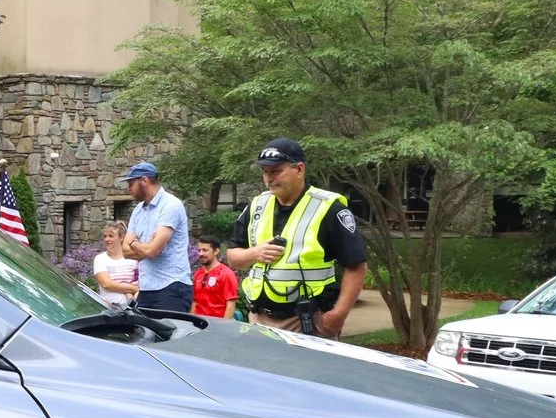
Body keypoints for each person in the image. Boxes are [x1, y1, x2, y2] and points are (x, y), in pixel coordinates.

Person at [226, 138, 368, 337]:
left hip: (307, 321)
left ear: (299, 170)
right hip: (258, 319)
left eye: (275, 171)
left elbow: (356, 266)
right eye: (265, 172)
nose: (268, 179)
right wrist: (255, 253)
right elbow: (233, 257)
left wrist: (338, 315)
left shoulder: (328, 208)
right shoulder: (257, 206)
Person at [118, 159, 194, 313]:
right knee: (145, 335)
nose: (128, 189)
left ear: (144, 180)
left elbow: (152, 251)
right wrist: (144, 247)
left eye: (131, 183)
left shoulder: (170, 205)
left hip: (172, 288)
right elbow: (125, 252)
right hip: (146, 289)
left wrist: (135, 243)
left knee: (171, 336)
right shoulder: (138, 210)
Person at [191, 236, 241, 320]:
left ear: (216, 251)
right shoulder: (198, 274)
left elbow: (231, 303)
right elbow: (195, 302)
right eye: (199, 250)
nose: (200, 254)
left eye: (205, 250)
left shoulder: (227, 274)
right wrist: (191, 322)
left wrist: (224, 327)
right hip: (199, 324)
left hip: (217, 325)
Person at [90, 226, 140, 305]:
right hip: (110, 311)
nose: (107, 239)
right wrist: (135, 289)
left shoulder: (132, 259)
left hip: (133, 312)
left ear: (121, 238)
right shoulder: (100, 259)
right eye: (105, 236)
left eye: (111, 236)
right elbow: (106, 284)